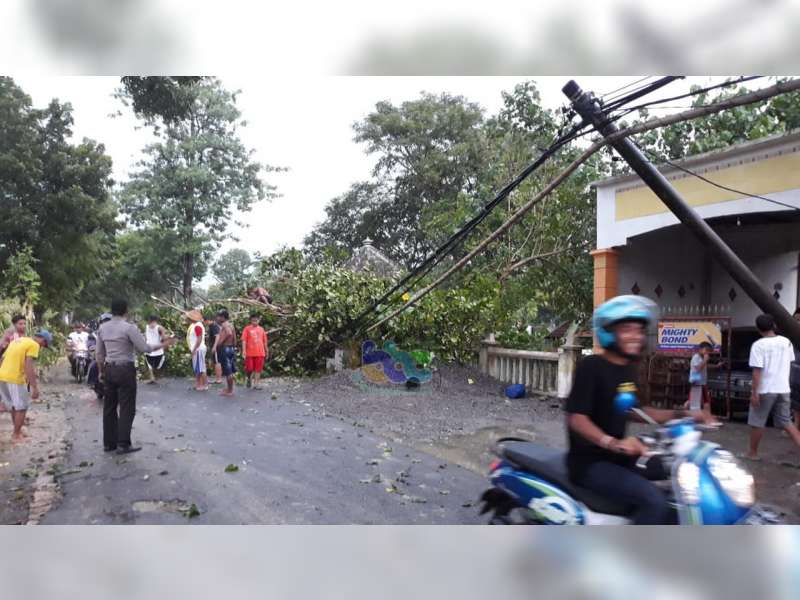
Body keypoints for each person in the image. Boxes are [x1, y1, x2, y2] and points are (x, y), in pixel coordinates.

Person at [566, 295, 716, 525]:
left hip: (619, 457)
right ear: (609, 332)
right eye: (627, 329)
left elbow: (637, 410)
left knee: (679, 474)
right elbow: (577, 418)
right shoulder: (592, 366)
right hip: (590, 464)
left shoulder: (627, 369)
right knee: (654, 501)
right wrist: (613, 443)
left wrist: (687, 415)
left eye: (639, 330)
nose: (636, 336)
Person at [96, 299, 176, 454]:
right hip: (125, 369)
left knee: (109, 406)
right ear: (126, 310)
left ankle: (109, 443)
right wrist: (164, 345)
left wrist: (101, 371)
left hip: (109, 368)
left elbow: (99, 353)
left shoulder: (102, 328)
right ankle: (123, 444)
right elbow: (144, 348)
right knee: (127, 406)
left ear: (112, 311)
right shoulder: (129, 328)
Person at [747, 313, 800, 460]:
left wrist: (754, 393)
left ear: (758, 328)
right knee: (787, 422)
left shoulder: (758, 345)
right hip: (783, 389)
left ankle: (752, 453)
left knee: (757, 421)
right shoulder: (786, 342)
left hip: (765, 390)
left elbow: (757, 372)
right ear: (773, 326)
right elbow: (789, 362)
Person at [0, 330, 51, 442]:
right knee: (22, 408)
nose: (42, 347)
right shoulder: (34, 345)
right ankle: (16, 435)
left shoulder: (17, 341)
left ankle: (17, 431)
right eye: (45, 344)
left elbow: (2, 359)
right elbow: (28, 367)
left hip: (2, 377)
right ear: (42, 340)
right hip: (16, 378)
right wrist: (35, 388)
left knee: (14, 406)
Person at [685, 341, 725, 416]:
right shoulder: (696, 357)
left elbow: (705, 366)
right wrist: (705, 360)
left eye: (709, 351)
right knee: (696, 401)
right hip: (696, 381)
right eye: (706, 350)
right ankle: (690, 415)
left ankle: (706, 416)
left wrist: (716, 366)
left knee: (704, 400)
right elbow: (698, 368)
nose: (707, 352)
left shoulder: (701, 357)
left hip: (701, 381)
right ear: (700, 349)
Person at [211, 309, 237, 397]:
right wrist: (234, 345)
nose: (217, 318)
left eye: (219, 316)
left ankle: (230, 391)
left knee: (228, 370)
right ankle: (229, 388)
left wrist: (220, 342)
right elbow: (234, 336)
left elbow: (229, 334)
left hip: (225, 348)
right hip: (231, 348)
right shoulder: (230, 324)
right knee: (230, 370)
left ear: (223, 317)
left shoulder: (225, 324)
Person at [242, 313, 268, 390]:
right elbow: (244, 340)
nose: (254, 322)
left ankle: (256, 384)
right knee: (249, 368)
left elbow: (264, 341)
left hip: (260, 352)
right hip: (249, 353)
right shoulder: (247, 329)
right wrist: (244, 351)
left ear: (259, 321)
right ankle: (249, 379)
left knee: (258, 369)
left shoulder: (262, 329)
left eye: (256, 321)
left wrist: (266, 350)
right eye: (253, 321)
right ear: (250, 321)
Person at [186, 310, 208, 392]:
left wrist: (194, 349)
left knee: (201, 368)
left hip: (198, 349)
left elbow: (199, 339)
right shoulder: (194, 325)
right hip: (197, 349)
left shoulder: (197, 326)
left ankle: (204, 385)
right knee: (198, 367)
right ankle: (198, 384)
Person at [143, 315, 167, 384]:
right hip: (158, 350)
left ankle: (152, 377)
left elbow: (145, 337)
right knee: (157, 365)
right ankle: (154, 377)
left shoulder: (147, 326)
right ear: (156, 320)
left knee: (149, 365)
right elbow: (164, 338)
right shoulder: (160, 328)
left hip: (149, 349)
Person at [205, 314, 223, 385]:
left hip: (216, 347)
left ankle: (219, 379)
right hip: (213, 346)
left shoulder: (214, 326)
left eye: (205, 321)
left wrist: (214, 346)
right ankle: (217, 378)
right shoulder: (211, 326)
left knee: (217, 362)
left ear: (208, 320)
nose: (204, 323)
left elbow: (217, 336)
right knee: (215, 362)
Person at [791, 308, 800, 429]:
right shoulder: (791, 338)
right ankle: (796, 427)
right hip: (795, 376)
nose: (798, 322)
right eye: (796, 320)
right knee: (796, 404)